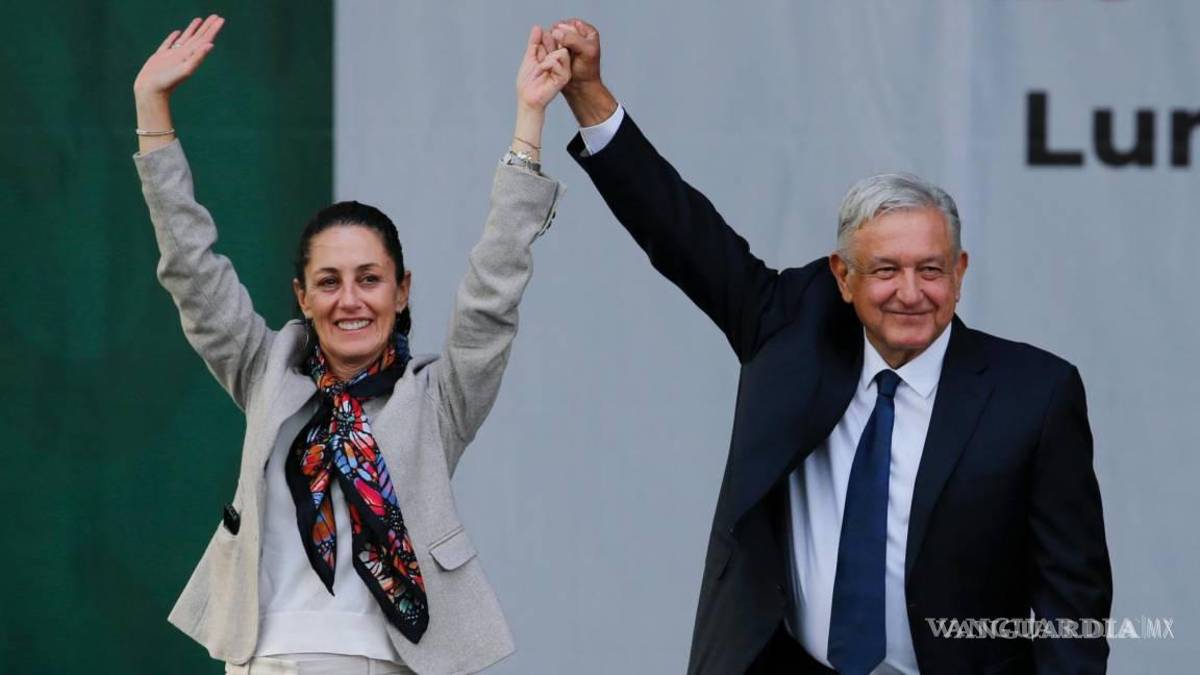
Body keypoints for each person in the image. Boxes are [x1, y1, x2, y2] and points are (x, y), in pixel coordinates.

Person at [547, 19, 1113, 675]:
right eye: (885, 270)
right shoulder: (790, 329)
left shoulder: (1035, 395)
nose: (910, 293)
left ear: (960, 274)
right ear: (843, 277)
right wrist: (587, 94)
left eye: (931, 270)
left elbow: (1073, 603)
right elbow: (680, 229)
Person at [132, 15, 570, 675]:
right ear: (303, 297)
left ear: (402, 290)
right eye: (329, 282)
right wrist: (152, 110)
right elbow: (192, 270)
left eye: (370, 279)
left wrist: (529, 123)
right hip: (263, 659)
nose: (350, 300)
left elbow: (492, 291)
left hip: (384, 660)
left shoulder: (437, 400)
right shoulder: (267, 370)